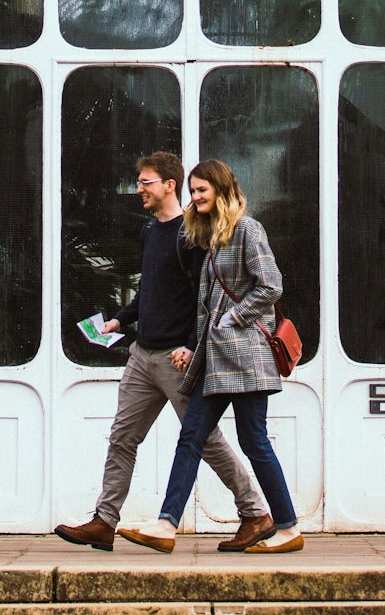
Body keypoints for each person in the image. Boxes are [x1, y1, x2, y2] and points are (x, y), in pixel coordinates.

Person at [54, 152, 271, 552]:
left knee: (205, 440)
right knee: (122, 436)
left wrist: (192, 346)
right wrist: (120, 320)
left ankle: (255, 511)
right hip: (142, 355)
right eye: (138, 181)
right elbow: (150, 290)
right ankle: (104, 522)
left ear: (169, 185)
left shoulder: (192, 237)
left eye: (145, 182)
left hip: (177, 357)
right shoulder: (149, 232)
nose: (139, 189)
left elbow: (204, 298)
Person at [117, 160, 303, 555]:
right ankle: (166, 525)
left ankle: (286, 527)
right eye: (193, 191)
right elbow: (205, 306)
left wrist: (232, 319)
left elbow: (271, 286)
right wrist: (194, 347)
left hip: (247, 357)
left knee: (254, 442)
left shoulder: (247, 230)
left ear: (221, 189)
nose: (195, 197)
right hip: (217, 362)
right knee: (191, 437)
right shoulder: (212, 236)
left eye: (202, 190)